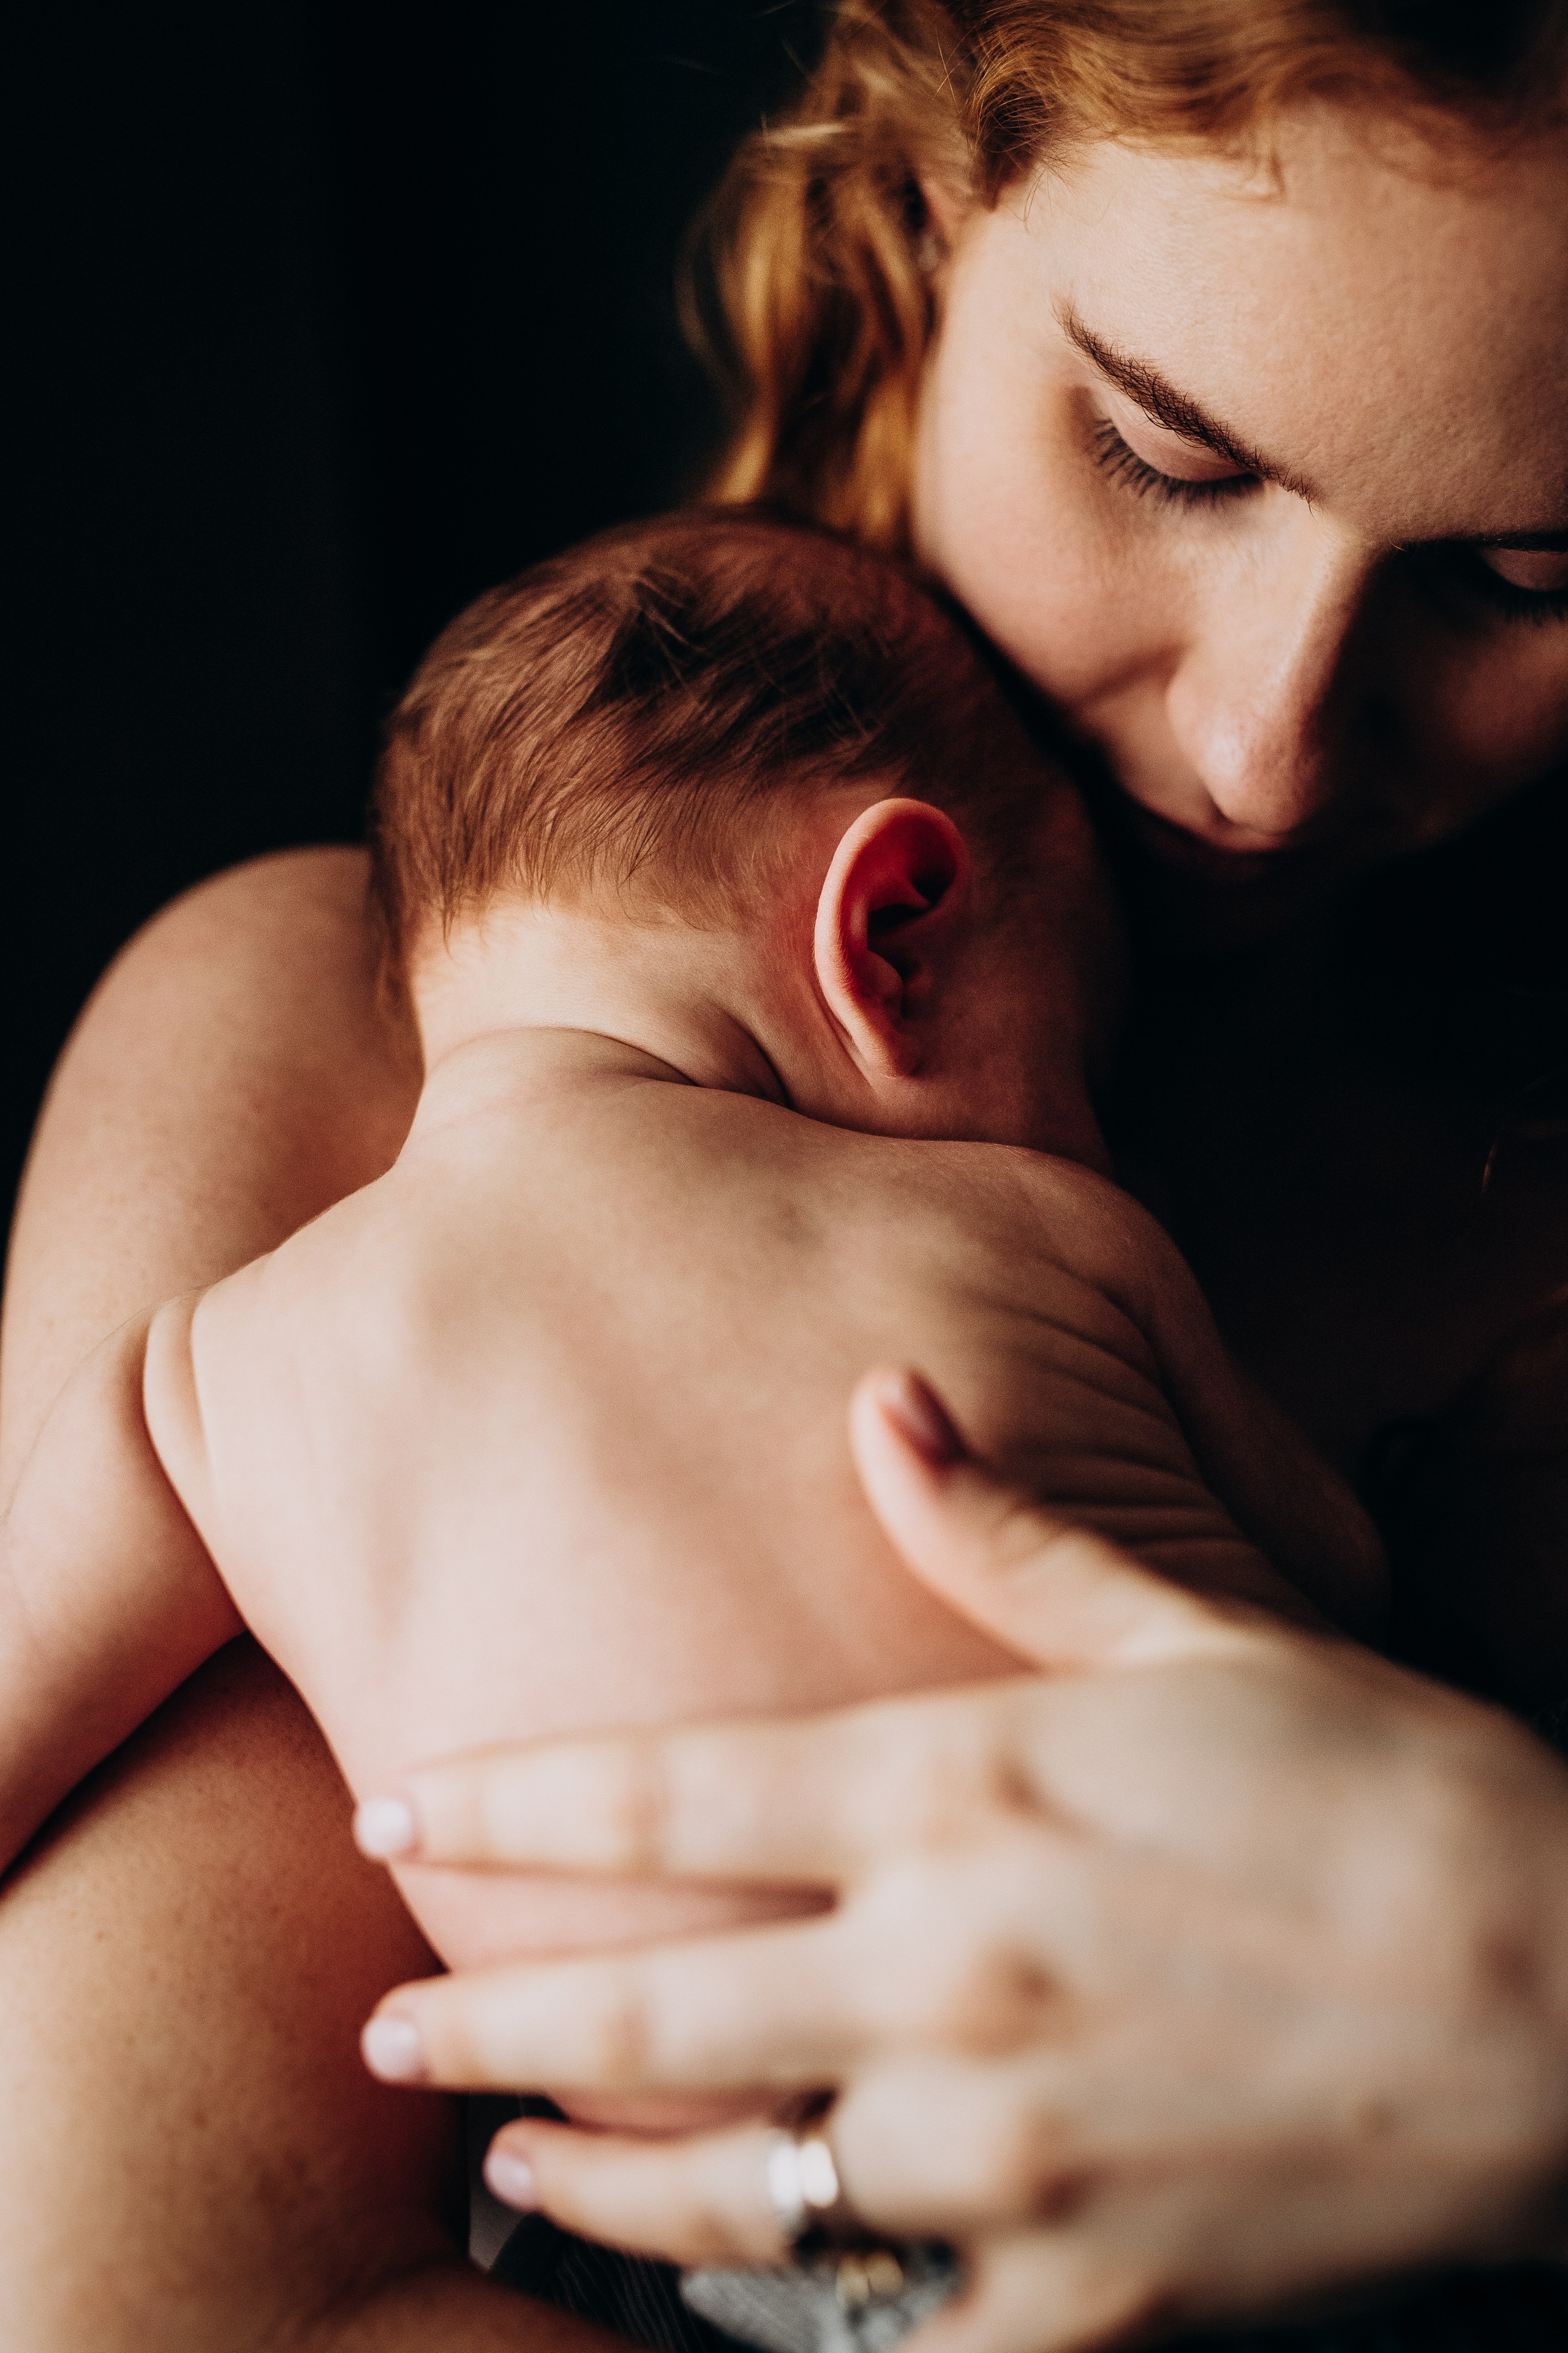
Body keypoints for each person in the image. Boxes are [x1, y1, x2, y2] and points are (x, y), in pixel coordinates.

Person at [2, 2, 1565, 2347]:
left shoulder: (274, 1347)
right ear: (925, 211)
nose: (1263, 743)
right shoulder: (333, 1060)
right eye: (1168, 453)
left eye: (1526, 577)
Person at [0, 509, 1378, 2069]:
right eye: (1081, 1059)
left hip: (734, 2235)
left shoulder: (206, 1375)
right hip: (1256, 2048)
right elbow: (1336, 1574)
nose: (1089, 1137)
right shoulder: (1045, 1225)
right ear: (894, 937)